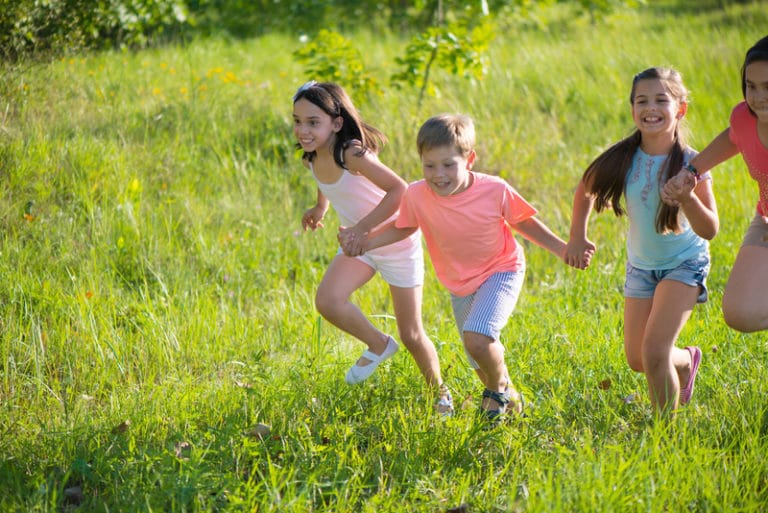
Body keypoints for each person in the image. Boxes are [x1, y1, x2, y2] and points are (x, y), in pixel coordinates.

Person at [342, 113, 575, 423]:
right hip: (460, 284)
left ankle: (496, 397)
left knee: (478, 337)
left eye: (448, 165)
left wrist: (561, 248)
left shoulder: (494, 190)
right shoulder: (417, 194)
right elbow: (405, 227)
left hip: (501, 270)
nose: (439, 175)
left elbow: (522, 222)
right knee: (478, 359)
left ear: (470, 159)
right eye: (429, 166)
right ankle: (511, 400)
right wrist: (366, 243)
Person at [291, 81, 453, 414]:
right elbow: (325, 183)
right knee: (328, 300)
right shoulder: (310, 157)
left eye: (312, 122)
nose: (302, 130)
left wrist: (362, 230)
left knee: (411, 333)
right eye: (297, 121)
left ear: (336, 123)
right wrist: (320, 208)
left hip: (395, 241)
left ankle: (441, 394)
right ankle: (379, 343)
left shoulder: (351, 153)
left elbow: (399, 190)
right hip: (359, 245)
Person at [565, 67, 719, 416]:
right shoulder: (622, 158)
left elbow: (710, 229)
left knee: (654, 351)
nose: (650, 107)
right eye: (642, 100)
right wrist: (577, 235)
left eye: (661, 100)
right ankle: (685, 361)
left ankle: (664, 435)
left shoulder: (692, 163)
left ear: (680, 109)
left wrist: (688, 198)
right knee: (638, 359)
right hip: (641, 266)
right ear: (632, 108)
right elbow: (586, 186)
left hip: (685, 263)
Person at [663, 35, 768, 334]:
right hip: (766, 219)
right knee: (740, 313)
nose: (759, 97)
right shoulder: (745, 118)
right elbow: (734, 136)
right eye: (752, 86)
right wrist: (692, 170)